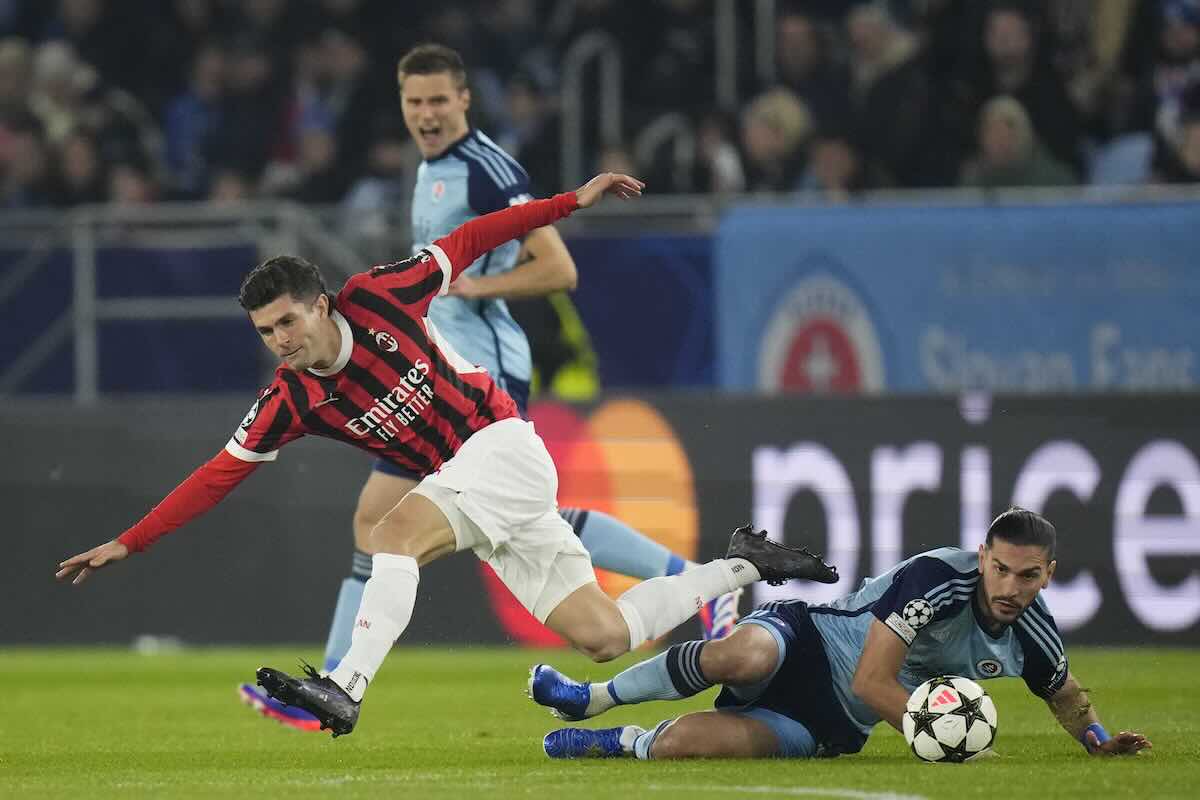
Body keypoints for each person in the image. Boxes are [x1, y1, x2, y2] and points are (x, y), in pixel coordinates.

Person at [55, 172, 841, 739]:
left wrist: (570, 203)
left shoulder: (381, 293)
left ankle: (346, 686)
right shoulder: (289, 400)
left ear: (322, 303)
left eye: (289, 322)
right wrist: (132, 540)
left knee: (389, 534)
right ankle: (743, 565)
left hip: (501, 447)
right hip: (479, 490)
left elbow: (474, 237)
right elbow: (216, 475)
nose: (281, 342)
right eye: (266, 333)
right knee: (603, 636)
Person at [236, 41, 747, 732]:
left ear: (465, 100)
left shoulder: (485, 169)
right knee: (525, 522)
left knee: (390, 522)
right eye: (414, 103)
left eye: (439, 101)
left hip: (478, 373)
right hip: (432, 377)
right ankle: (703, 579)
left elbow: (558, 268)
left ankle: (334, 683)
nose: (426, 115)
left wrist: (479, 284)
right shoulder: (430, 170)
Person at [532, 507, 1152, 761]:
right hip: (810, 642)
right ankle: (593, 697)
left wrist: (1096, 740)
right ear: (983, 554)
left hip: (833, 725)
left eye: (1027, 576)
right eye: (1000, 568)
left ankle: (621, 741)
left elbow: (1062, 691)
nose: (1010, 586)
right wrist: (944, 736)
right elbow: (871, 678)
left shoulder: (1033, 631)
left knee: (683, 746)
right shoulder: (939, 578)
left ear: (1048, 576)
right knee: (737, 655)